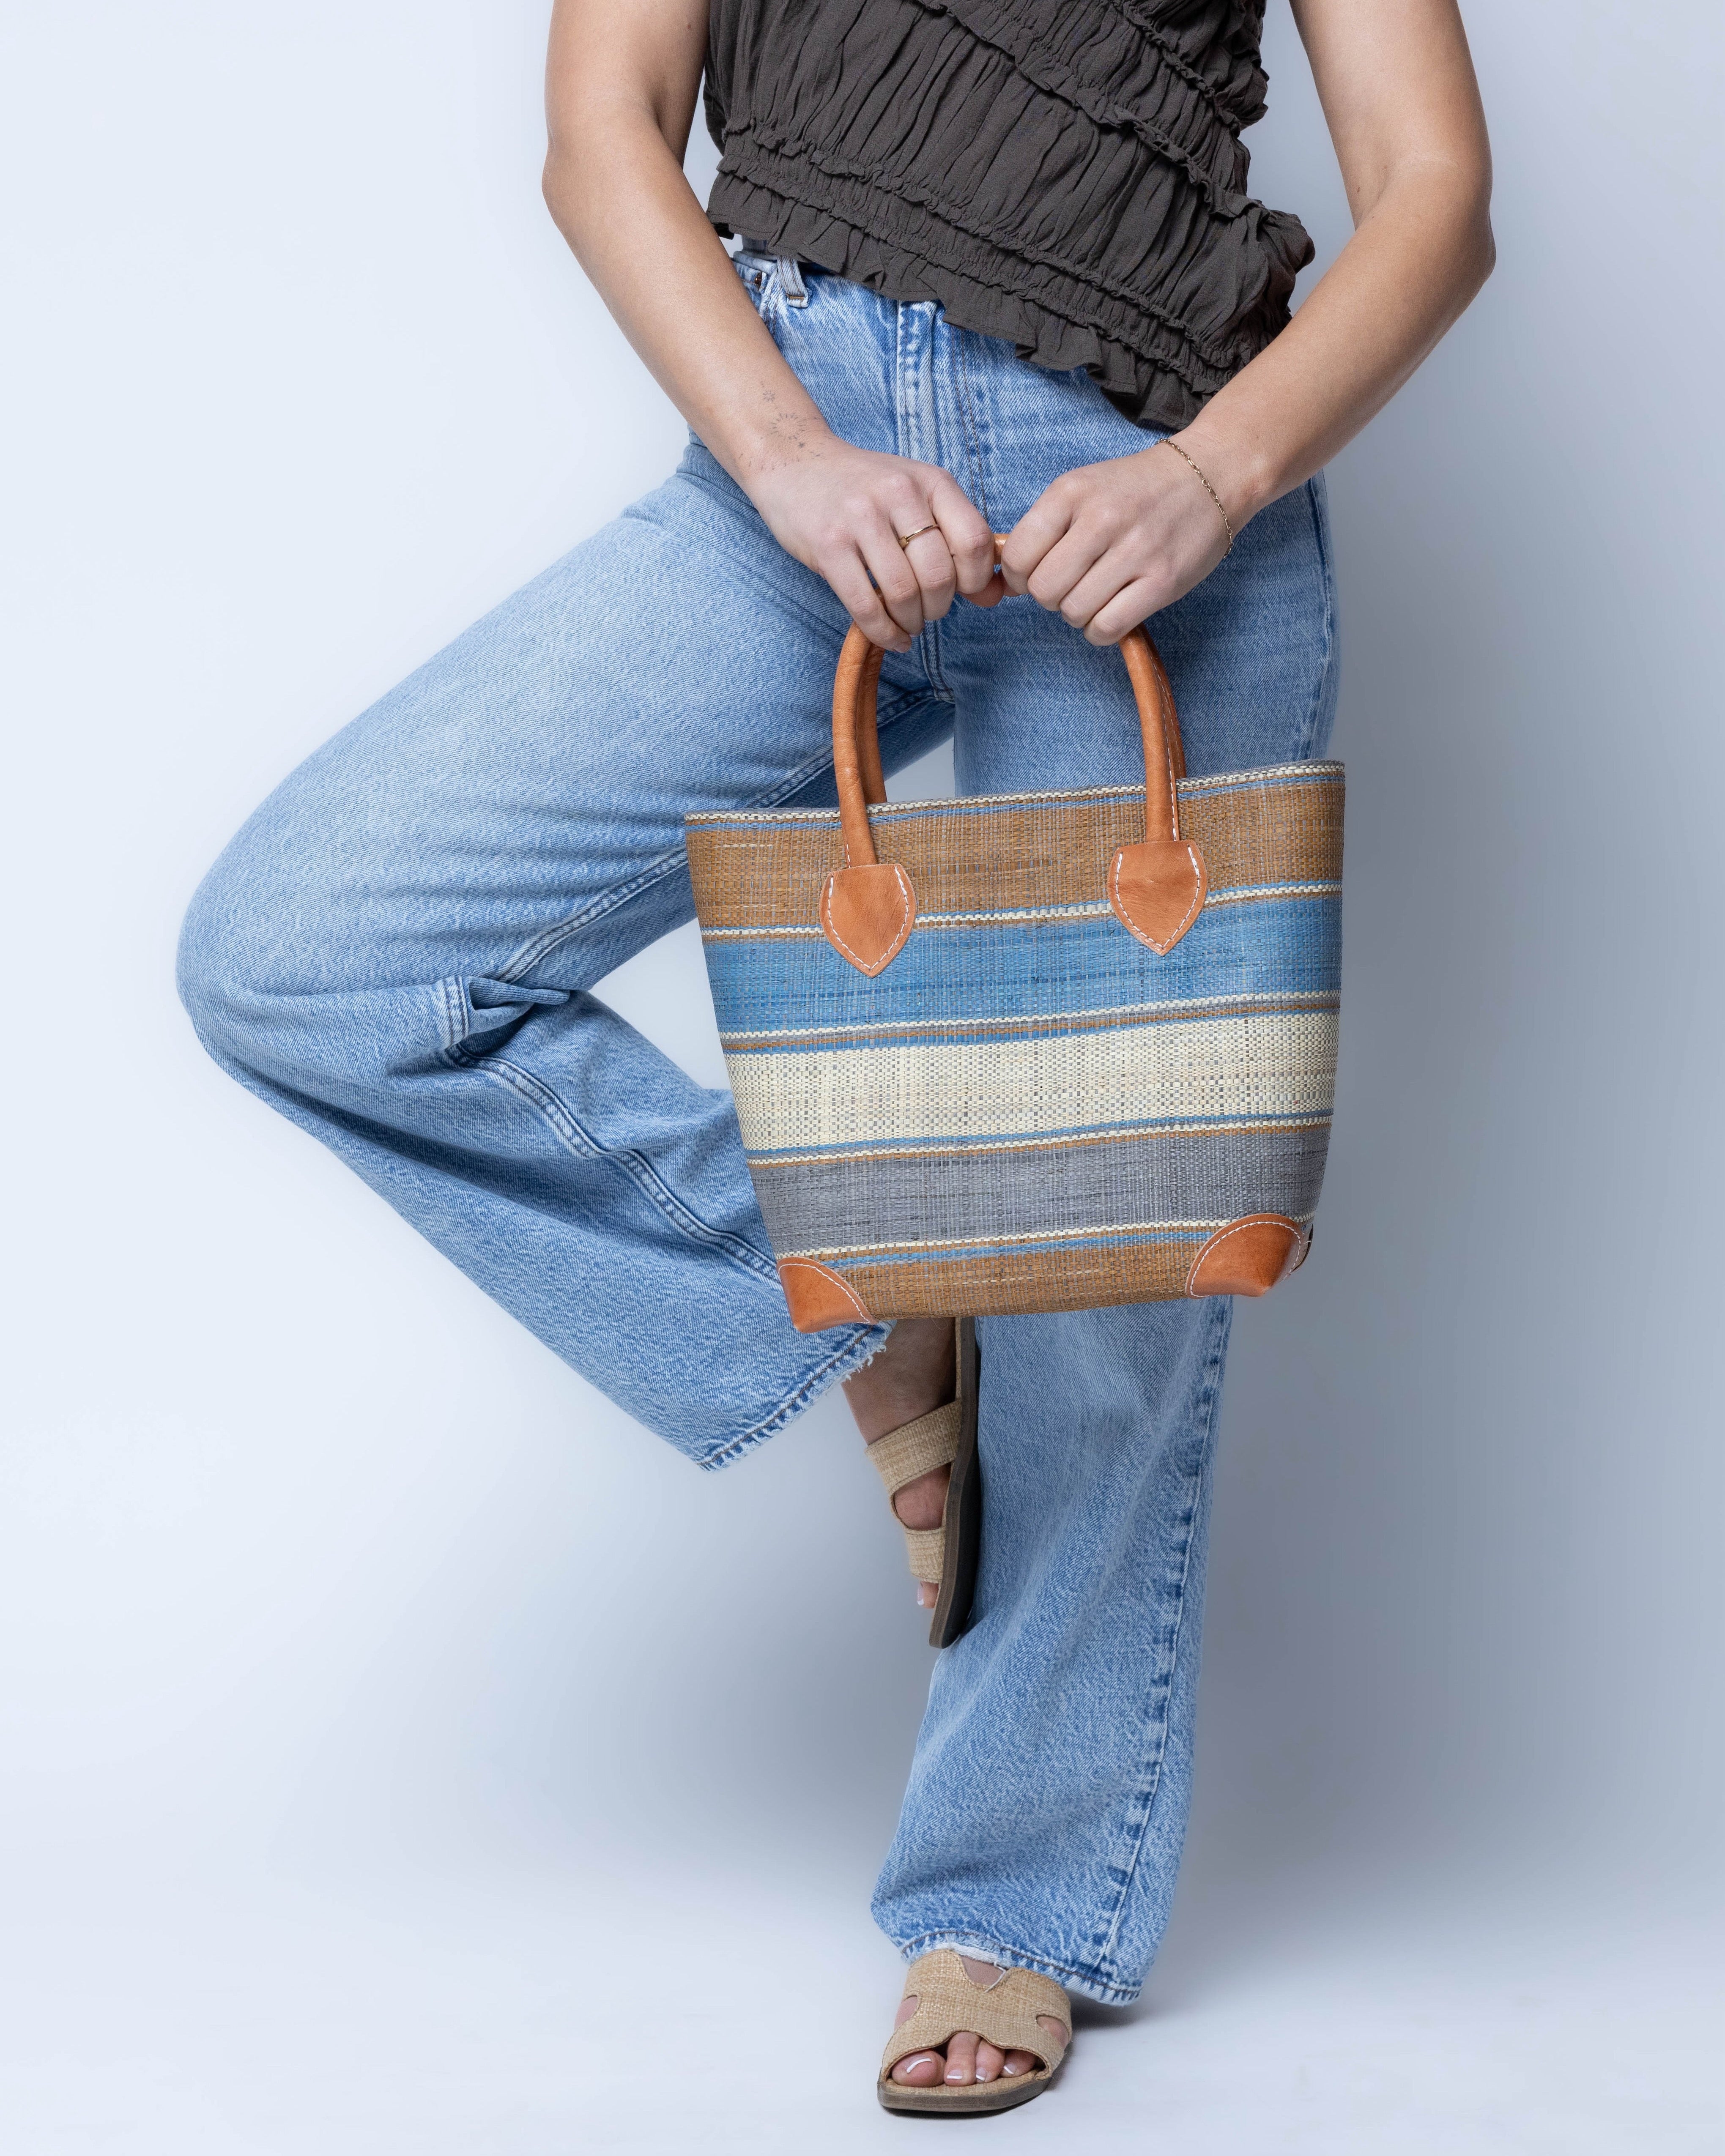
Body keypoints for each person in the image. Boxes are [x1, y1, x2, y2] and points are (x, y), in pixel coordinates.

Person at [177, 0, 1492, 2115]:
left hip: (1161, 503)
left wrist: (1213, 475)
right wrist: (787, 459)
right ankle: (872, 1314)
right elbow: (604, 121)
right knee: (312, 952)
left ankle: (1011, 1906)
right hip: (800, 462)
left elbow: (1437, 196)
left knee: (1114, 1269)